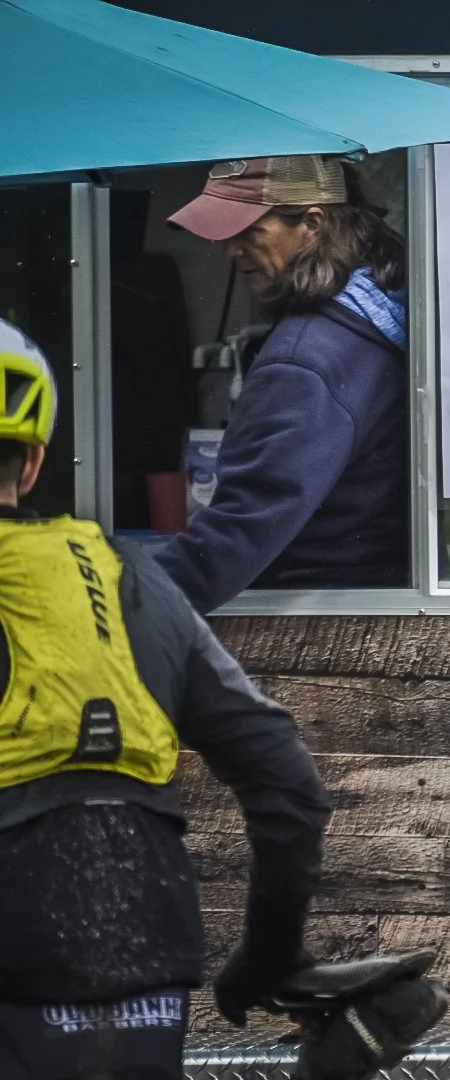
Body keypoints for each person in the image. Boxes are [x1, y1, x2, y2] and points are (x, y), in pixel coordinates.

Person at [0, 321, 331, 1077]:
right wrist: (271, 953)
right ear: (36, 461)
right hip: (146, 938)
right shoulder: (133, 578)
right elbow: (291, 789)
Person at [158, 155, 410, 613]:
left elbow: (238, 531)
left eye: (248, 232)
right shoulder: (377, 317)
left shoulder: (304, 360)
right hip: (367, 593)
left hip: (311, 611)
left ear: (312, 224)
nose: (231, 251)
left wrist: (111, 612)